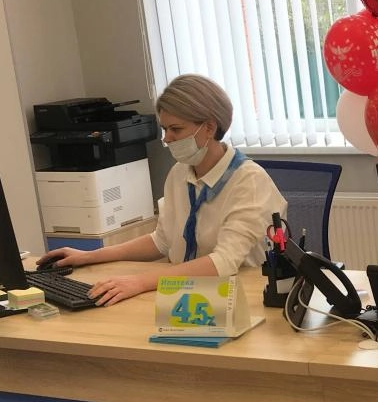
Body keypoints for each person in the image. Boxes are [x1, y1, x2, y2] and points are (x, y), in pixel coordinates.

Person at [40, 74, 286, 306]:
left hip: (240, 300)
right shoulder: (180, 173)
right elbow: (163, 241)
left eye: (176, 129)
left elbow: (223, 262)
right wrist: (89, 256)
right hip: (189, 296)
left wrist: (140, 282)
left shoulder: (249, 182)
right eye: (165, 129)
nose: (167, 138)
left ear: (209, 128)